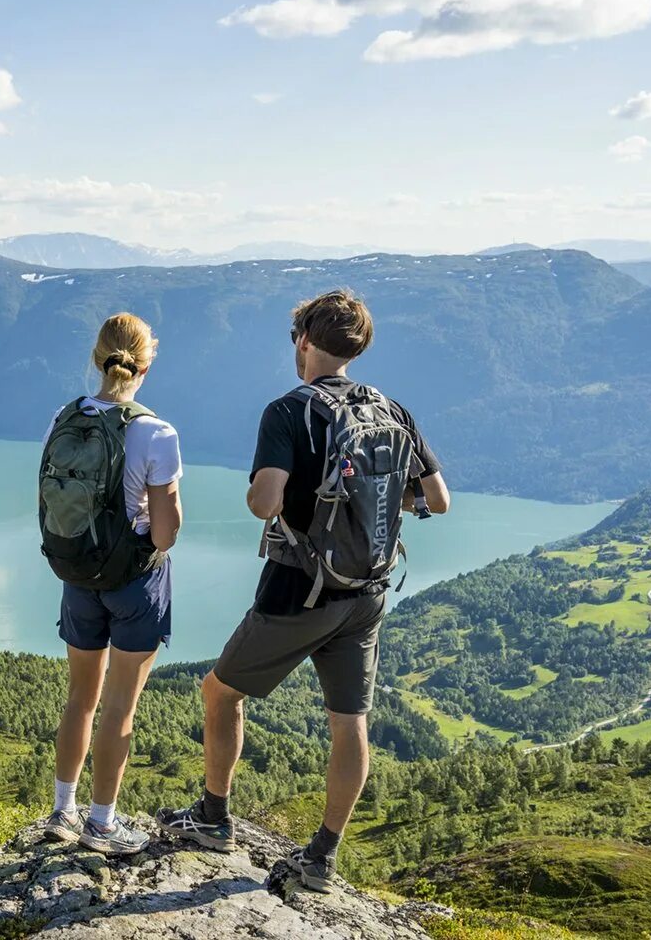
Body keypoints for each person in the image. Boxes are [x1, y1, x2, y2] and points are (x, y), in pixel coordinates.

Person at [157, 289, 450, 891]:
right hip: (367, 591)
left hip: (299, 590)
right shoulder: (392, 409)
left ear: (304, 342)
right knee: (350, 722)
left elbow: (264, 500)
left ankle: (214, 818)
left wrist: (265, 493)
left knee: (220, 692)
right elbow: (438, 500)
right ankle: (321, 856)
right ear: (358, 347)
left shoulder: (288, 411)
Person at [38, 313, 182, 856]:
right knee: (120, 705)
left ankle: (62, 811)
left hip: (76, 575)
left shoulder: (64, 416)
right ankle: (102, 823)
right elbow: (165, 533)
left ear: (97, 358)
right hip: (133, 584)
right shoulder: (154, 431)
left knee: (80, 698)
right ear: (146, 363)